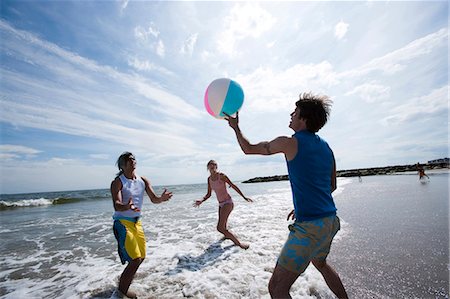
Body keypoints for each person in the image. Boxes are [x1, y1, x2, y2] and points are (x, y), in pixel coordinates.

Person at [224, 92, 348, 299]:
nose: (291, 114)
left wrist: (236, 127)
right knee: (320, 263)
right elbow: (331, 186)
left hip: (309, 227)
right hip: (330, 221)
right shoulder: (327, 148)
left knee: (277, 288)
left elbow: (249, 149)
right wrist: (306, 202)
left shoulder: (289, 143)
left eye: (295, 112)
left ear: (304, 118)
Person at [110, 152, 172, 298]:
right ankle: (119, 294)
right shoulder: (118, 182)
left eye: (133, 158)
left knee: (141, 257)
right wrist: (126, 206)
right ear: (122, 165)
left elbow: (154, 199)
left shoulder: (142, 180)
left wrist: (161, 199)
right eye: (128, 159)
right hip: (122, 223)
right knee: (135, 259)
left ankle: (122, 288)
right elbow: (117, 205)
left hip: (137, 223)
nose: (132, 160)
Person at [194, 160, 253, 249]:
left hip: (228, 203)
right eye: (210, 167)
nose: (212, 168)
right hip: (221, 204)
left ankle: (239, 244)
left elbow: (233, 186)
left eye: (214, 166)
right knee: (223, 226)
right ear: (208, 168)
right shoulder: (209, 179)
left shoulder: (221, 176)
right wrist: (201, 201)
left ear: (216, 167)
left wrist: (244, 197)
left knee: (220, 228)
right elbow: (209, 194)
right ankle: (227, 236)